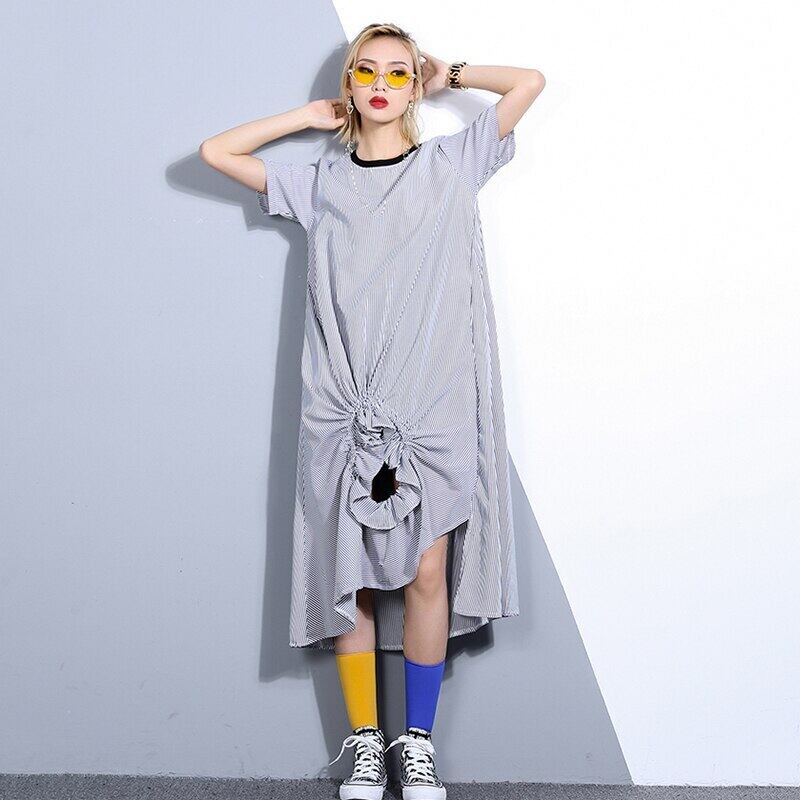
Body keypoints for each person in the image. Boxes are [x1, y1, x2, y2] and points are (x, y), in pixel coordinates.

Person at [200, 21, 545, 800]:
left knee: (428, 571)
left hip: (432, 404)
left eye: (397, 72)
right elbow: (217, 152)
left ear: (413, 83)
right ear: (349, 84)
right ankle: (365, 743)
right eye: (367, 71)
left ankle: (415, 744)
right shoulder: (320, 181)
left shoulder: (450, 163)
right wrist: (304, 117)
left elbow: (529, 83)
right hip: (342, 404)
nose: (382, 85)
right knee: (348, 573)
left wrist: (449, 73)